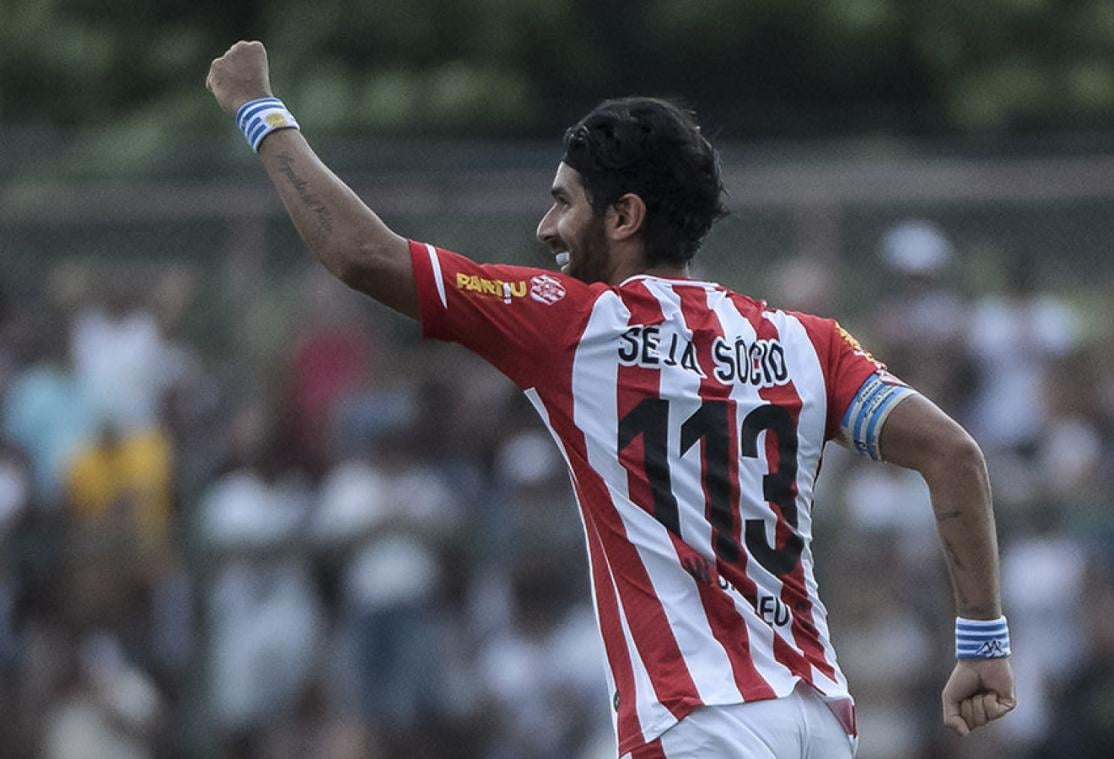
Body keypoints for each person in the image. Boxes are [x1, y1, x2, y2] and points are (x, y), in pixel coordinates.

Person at [206, 41, 1015, 758]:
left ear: (624, 215)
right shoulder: (807, 343)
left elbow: (360, 256)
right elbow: (954, 454)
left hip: (698, 723)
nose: (545, 226)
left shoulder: (575, 326)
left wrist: (257, 109)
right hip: (818, 721)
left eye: (564, 201)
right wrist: (982, 640)